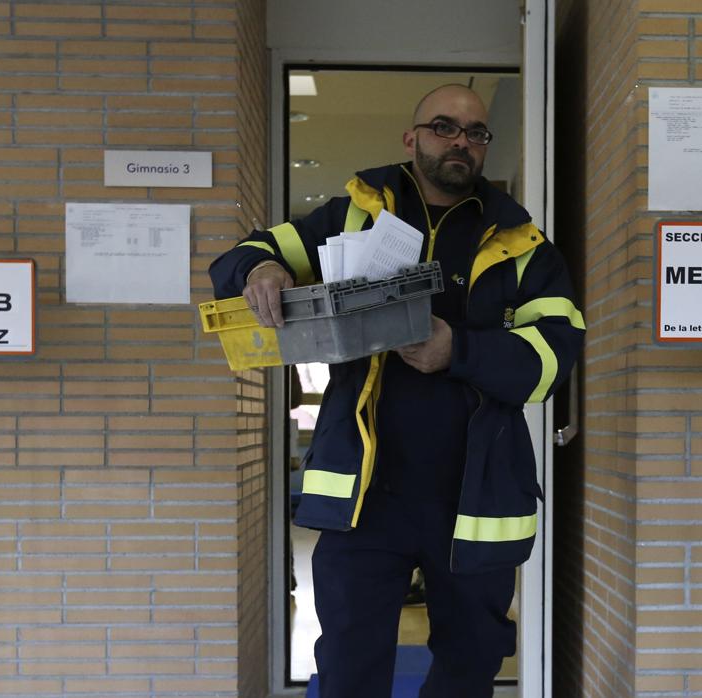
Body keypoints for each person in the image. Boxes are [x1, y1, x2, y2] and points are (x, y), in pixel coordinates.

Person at [208, 84, 583, 698]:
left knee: (470, 663)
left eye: (476, 132)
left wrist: (454, 350)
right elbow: (250, 253)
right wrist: (263, 269)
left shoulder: (523, 246)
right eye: (443, 126)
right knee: (351, 663)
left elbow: (553, 358)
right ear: (411, 139)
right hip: (365, 494)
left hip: (475, 493)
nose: (461, 140)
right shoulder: (352, 216)